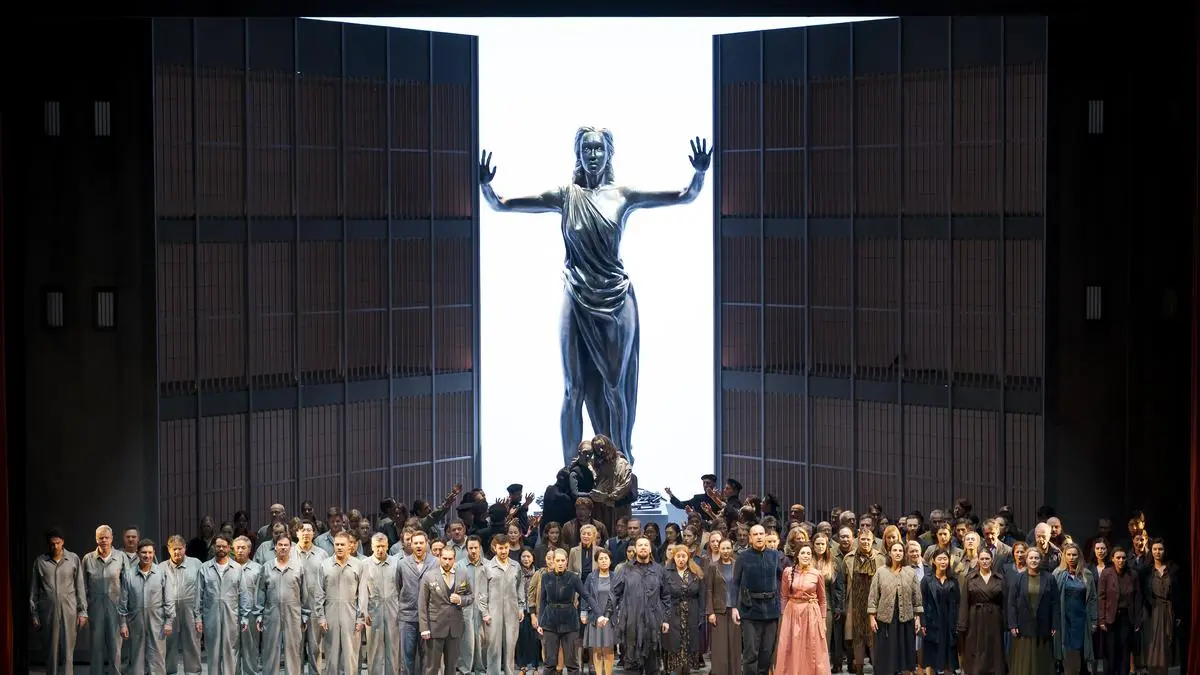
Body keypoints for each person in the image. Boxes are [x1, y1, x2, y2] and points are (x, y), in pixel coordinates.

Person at [479, 129, 712, 466]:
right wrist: (486, 185)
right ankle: (570, 472)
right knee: (572, 388)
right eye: (586, 148)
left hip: (616, 298)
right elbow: (500, 204)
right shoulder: (566, 196)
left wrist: (699, 173)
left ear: (608, 153)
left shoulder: (623, 196)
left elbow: (685, 196)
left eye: (598, 149)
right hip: (576, 292)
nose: (592, 154)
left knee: (615, 386)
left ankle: (620, 464)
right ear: (578, 153)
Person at [597, 536, 668, 675]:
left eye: (646, 545)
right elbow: (614, 593)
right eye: (640, 545)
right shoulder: (625, 569)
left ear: (650, 549)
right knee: (631, 664)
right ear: (635, 549)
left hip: (653, 623)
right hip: (631, 622)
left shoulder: (659, 569)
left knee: (653, 665)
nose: (643, 547)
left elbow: (665, 596)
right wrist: (607, 614)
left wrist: (665, 619)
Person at [30, 527, 87, 675]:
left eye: (58, 543)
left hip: (69, 610)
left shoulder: (73, 559)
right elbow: (34, 590)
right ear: (48, 544)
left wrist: (83, 611)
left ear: (63, 542)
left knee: (68, 651)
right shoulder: (41, 562)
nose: (55, 546)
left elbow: (80, 586)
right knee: (51, 651)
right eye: (52, 544)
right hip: (48, 611)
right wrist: (34, 614)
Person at [253, 533, 308, 675]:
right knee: (270, 652)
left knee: (293, 651)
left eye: (286, 545)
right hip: (271, 615)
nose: (283, 547)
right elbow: (260, 592)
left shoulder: (298, 567)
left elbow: (304, 593)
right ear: (275, 547)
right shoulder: (266, 567)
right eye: (280, 545)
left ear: (290, 547)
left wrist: (305, 615)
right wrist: (259, 614)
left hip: (293, 615)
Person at [732, 524, 784, 675]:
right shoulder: (743, 557)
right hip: (750, 611)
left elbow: (783, 578)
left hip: (771, 610)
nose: (759, 537)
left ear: (765, 536)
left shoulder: (774, 555)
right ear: (750, 538)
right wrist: (734, 607)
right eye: (755, 534)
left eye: (761, 533)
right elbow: (735, 583)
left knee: (766, 653)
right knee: (751, 653)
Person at [119, 538, 176, 675]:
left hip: (157, 623)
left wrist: (169, 622)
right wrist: (123, 624)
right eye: (144, 552)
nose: (147, 555)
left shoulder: (162, 573)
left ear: (154, 553)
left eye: (150, 552)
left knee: (157, 658)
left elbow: (169, 599)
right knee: (136, 658)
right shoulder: (128, 575)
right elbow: (123, 602)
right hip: (135, 623)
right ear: (138, 553)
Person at [773, 542, 829, 675]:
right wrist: (784, 616)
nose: (806, 556)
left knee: (811, 647)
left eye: (808, 553)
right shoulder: (788, 572)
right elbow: (783, 596)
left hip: (811, 614)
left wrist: (823, 620)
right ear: (797, 555)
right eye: (803, 553)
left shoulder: (817, 574)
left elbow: (822, 600)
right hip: (792, 613)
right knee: (792, 646)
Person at [867, 542, 922, 675]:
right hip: (886, 620)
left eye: (900, 551)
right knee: (886, 654)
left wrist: (918, 618)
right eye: (895, 550)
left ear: (904, 554)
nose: (898, 553)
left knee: (905, 654)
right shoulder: (881, 572)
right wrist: (872, 617)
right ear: (890, 553)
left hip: (906, 619)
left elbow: (916, 597)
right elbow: (873, 596)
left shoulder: (910, 572)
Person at [420, 546, 474, 675]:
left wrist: (460, 600)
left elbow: (471, 596)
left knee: (451, 667)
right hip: (435, 627)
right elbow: (422, 603)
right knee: (432, 667)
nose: (447, 562)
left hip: (455, 627)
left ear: (454, 559)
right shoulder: (429, 576)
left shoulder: (463, 574)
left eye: (450, 559)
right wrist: (424, 628)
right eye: (444, 558)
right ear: (439, 558)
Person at [1006, 548, 1058, 675]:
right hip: (1023, 625)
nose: (1034, 560)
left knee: (1042, 659)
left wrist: (1054, 624)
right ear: (1026, 560)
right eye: (1031, 558)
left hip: (1043, 625)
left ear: (1041, 560)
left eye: (1036, 558)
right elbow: (1011, 603)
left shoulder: (1050, 578)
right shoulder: (1018, 578)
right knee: (1024, 660)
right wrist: (1012, 624)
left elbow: (1055, 603)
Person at [197, 534, 243, 675]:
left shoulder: (237, 568)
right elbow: (199, 595)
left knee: (230, 652)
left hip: (231, 617)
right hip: (211, 617)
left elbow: (243, 595)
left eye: (224, 546)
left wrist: (245, 617)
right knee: (213, 652)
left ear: (229, 548)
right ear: (213, 547)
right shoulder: (205, 568)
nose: (221, 549)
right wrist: (198, 618)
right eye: (218, 546)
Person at [534, 549, 586, 675]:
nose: (561, 563)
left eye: (563, 560)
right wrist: (540, 622)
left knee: (572, 663)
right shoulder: (546, 577)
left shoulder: (573, 577)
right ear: (553, 561)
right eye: (558, 560)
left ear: (567, 561)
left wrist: (596, 613)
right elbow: (542, 601)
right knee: (549, 663)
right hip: (550, 622)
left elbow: (586, 595)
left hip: (570, 622)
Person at [479, 534, 526, 675]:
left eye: (506, 548)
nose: (504, 551)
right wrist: (484, 613)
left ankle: (509, 672)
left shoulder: (516, 566)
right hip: (493, 612)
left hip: (512, 611)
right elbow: (482, 593)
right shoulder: (487, 567)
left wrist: (521, 607)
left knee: (510, 646)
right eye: (500, 548)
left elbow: (520, 587)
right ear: (494, 548)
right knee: (493, 647)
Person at [82, 525, 125, 675]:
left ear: (112, 539)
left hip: (115, 608)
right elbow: (82, 586)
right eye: (101, 538)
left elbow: (126, 585)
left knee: (115, 647)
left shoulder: (120, 557)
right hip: (95, 608)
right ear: (96, 539)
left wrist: (125, 609)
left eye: (107, 537)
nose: (104, 540)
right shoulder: (88, 559)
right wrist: (83, 610)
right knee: (96, 647)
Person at [956, 549, 1006, 675]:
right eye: (982, 559)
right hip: (975, 618)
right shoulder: (970, 578)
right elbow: (964, 602)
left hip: (994, 619)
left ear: (992, 560)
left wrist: (1006, 622)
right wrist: (962, 623)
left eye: (987, 558)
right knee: (976, 648)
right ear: (978, 560)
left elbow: (1004, 602)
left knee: (994, 649)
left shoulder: (1000, 578)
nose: (984, 561)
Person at [1052, 542, 1098, 675]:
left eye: (1074, 555)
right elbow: (1053, 599)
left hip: (1081, 619)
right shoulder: (1057, 574)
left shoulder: (1087, 574)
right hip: (1064, 618)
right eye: (1069, 554)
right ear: (1064, 556)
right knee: (1066, 650)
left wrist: (1094, 620)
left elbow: (1093, 599)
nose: (1071, 557)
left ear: (1079, 556)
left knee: (1081, 650)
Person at [161, 535, 203, 675]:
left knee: (192, 643)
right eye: (174, 549)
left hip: (190, 611)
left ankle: (193, 673)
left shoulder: (196, 564)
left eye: (179, 548)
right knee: (168, 644)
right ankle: (169, 672)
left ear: (185, 548)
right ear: (169, 549)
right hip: (169, 613)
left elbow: (201, 590)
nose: (177, 552)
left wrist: (199, 616)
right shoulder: (161, 567)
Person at [400, 531, 440, 675]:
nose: (418, 546)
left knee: (428, 657)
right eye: (415, 543)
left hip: (429, 617)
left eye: (421, 543)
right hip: (408, 616)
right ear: (410, 544)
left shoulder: (436, 563)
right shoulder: (402, 563)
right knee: (407, 657)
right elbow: (399, 585)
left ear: (426, 544)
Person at [1098, 547, 1143, 675]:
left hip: (1126, 618)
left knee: (1125, 651)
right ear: (1112, 559)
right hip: (1111, 618)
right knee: (1111, 653)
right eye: (1118, 557)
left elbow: (1137, 598)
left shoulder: (1133, 574)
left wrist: (1138, 620)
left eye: (1123, 558)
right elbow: (1101, 597)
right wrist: (1101, 619)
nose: (1121, 560)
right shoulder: (1106, 573)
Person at [662, 545, 704, 675]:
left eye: (683, 556)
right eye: (678, 556)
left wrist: (701, 616)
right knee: (674, 646)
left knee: (688, 646)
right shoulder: (666, 573)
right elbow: (662, 596)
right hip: (673, 614)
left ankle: (686, 671)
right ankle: (674, 672)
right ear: (673, 557)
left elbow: (702, 596)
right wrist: (664, 617)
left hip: (692, 614)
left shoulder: (696, 572)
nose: (681, 559)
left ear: (688, 557)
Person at [364, 532, 402, 675]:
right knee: (373, 649)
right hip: (373, 611)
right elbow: (362, 591)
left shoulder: (397, 563)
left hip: (394, 610)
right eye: (377, 546)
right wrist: (364, 611)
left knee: (393, 648)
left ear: (387, 546)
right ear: (372, 547)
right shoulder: (365, 564)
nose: (380, 549)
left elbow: (402, 588)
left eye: (383, 546)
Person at [919, 550, 959, 675]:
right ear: (934, 561)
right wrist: (922, 622)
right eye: (940, 559)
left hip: (949, 622)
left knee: (949, 655)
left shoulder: (953, 580)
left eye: (945, 559)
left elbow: (958, 603)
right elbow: (921, 602)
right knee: (931, 655)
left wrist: (958, 622)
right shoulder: (927, 579)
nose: (943, 562)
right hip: (931, 621)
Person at [704, 539, 740, 675]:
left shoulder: (737, 565)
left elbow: (741, 587)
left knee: (734, 646)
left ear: (732, 549)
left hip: (735, 610)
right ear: (719, 549)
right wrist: (710, 612)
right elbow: (709, 590)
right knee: (720, 648)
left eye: (728, 548)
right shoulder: (713, 566)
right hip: (719, 611)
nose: (725, 551)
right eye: (723, 548)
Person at [582, 548, 618, 675]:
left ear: (610, 561)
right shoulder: (591, 577)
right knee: (597, 648)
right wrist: (583, 612)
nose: (603, 561)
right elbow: (585, 595)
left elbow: (619, 596)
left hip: (610, 617)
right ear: (597, 561)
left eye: (606, 558)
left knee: (608, 648)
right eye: (601, 559)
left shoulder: (615, 576)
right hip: (595, 617)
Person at [455, 536, 488, 675]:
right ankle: (465, 670)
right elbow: (457, 588)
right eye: (470, 548)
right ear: (466, 549)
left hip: (483, 608)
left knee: (482, 639)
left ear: (480, 548)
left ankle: (480, 669)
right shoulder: (459, 565)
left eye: (476, 548)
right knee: (466, 640)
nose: (473, 551)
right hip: (465, 608)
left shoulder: (487, 565)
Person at [231, 536, 262, 675]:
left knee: (251, 648)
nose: (240, 550)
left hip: (251, 615)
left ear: (249, 550)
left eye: (243, 548)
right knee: (232, 649)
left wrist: (260, 614)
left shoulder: (258, 569)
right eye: (237, 547)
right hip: (231, 613)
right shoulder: (228, 567)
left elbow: (261, 594)